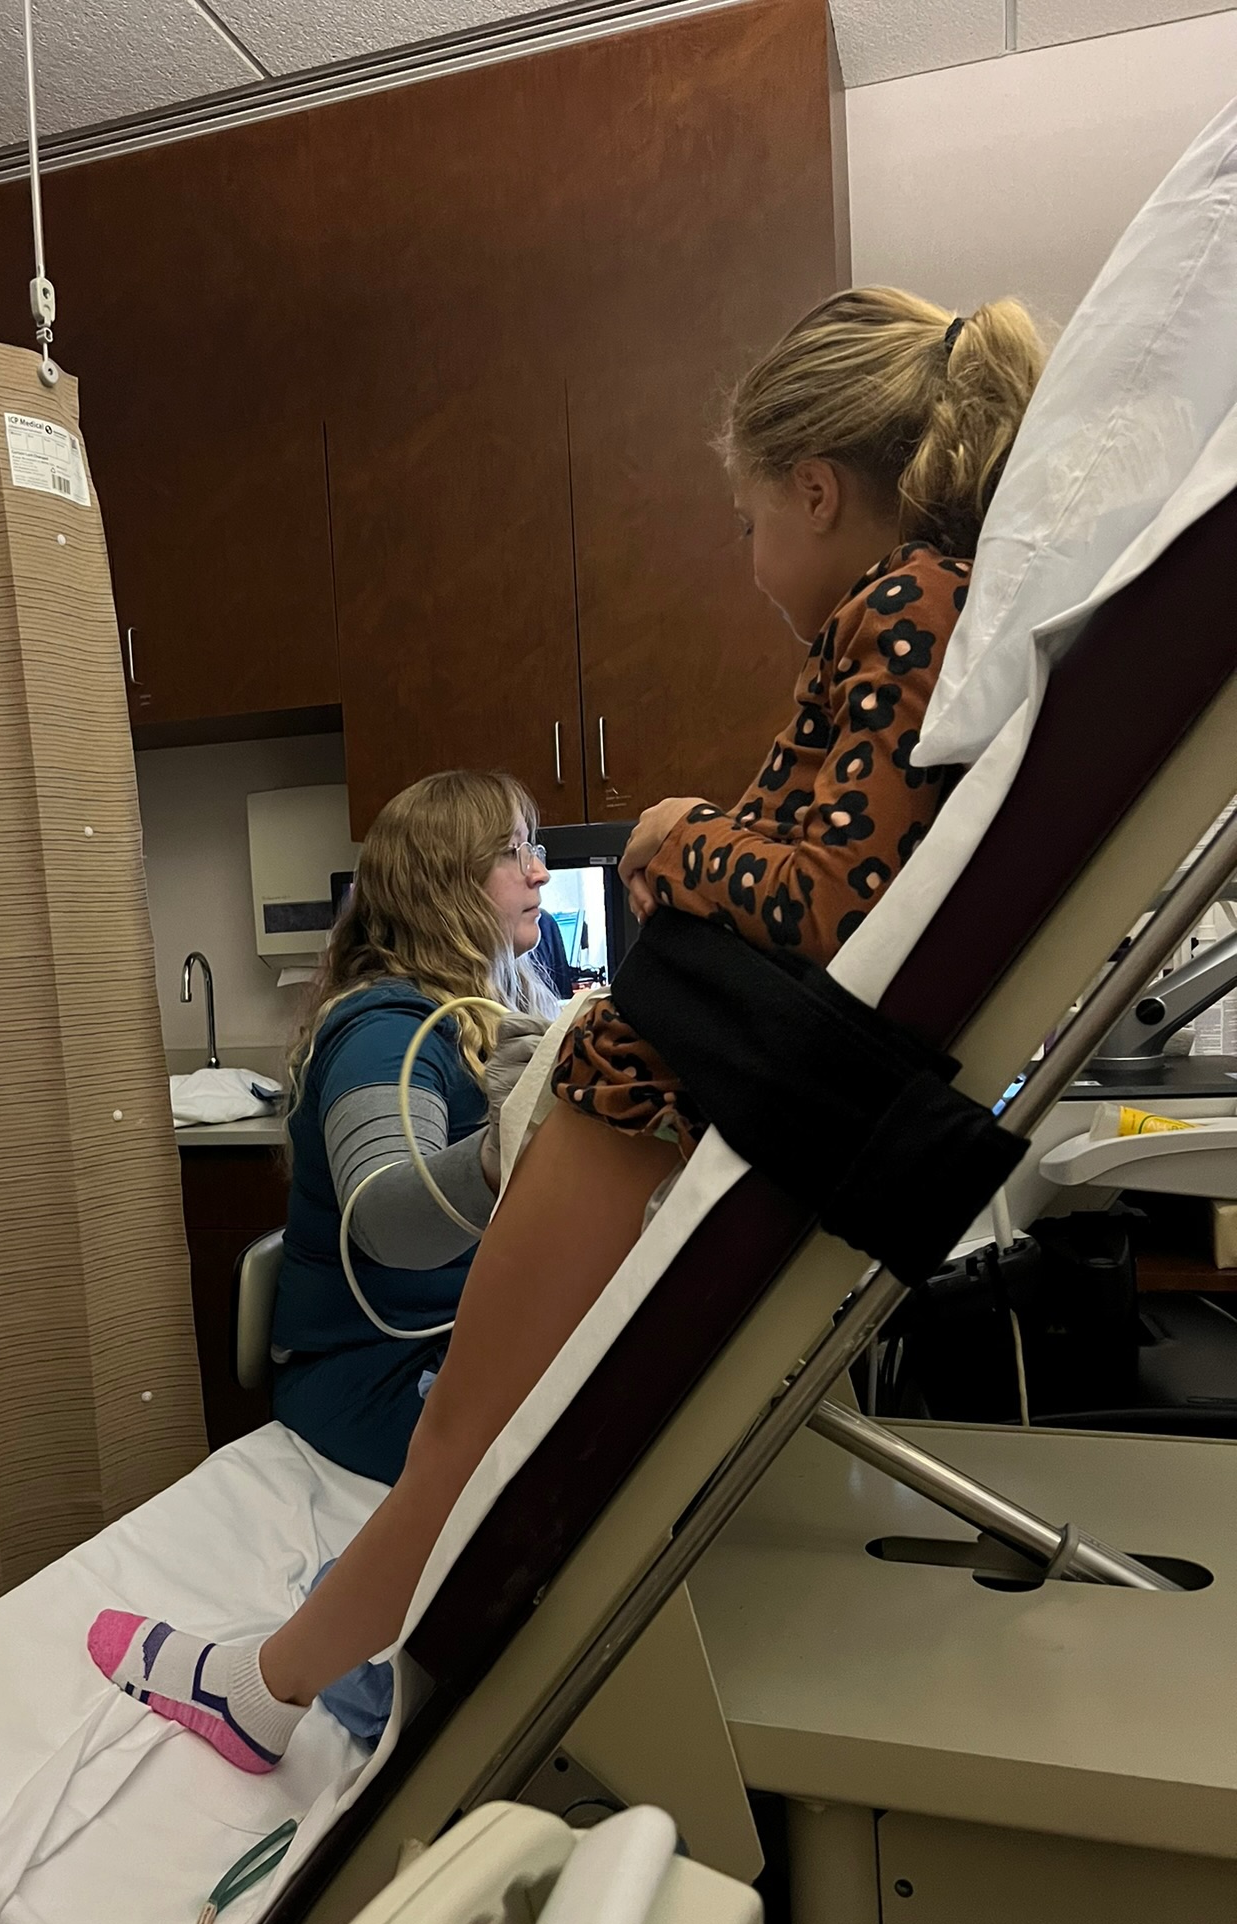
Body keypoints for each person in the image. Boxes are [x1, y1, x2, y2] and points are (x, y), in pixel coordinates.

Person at [90, 288, 1046, 1772]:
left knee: (468, 1441)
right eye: (520, 856)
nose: (748, 561)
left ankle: (260, 1689)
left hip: (647, 1100)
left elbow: (828, 901)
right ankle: (367, 1652)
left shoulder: (904, 610)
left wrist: (670, 835)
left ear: (814, 491)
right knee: (487, 1437)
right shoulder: (941, 612)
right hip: (666, 1096)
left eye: (746, 521)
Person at [265, 768, 556, 1490]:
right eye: (513, 852)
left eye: (534, 849)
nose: (540, 873)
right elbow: (386, 1222)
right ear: (443, 883)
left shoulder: (490, 1009)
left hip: (459, 1345)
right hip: (375, 1374)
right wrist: (501, 1148)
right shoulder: (385, 1033)